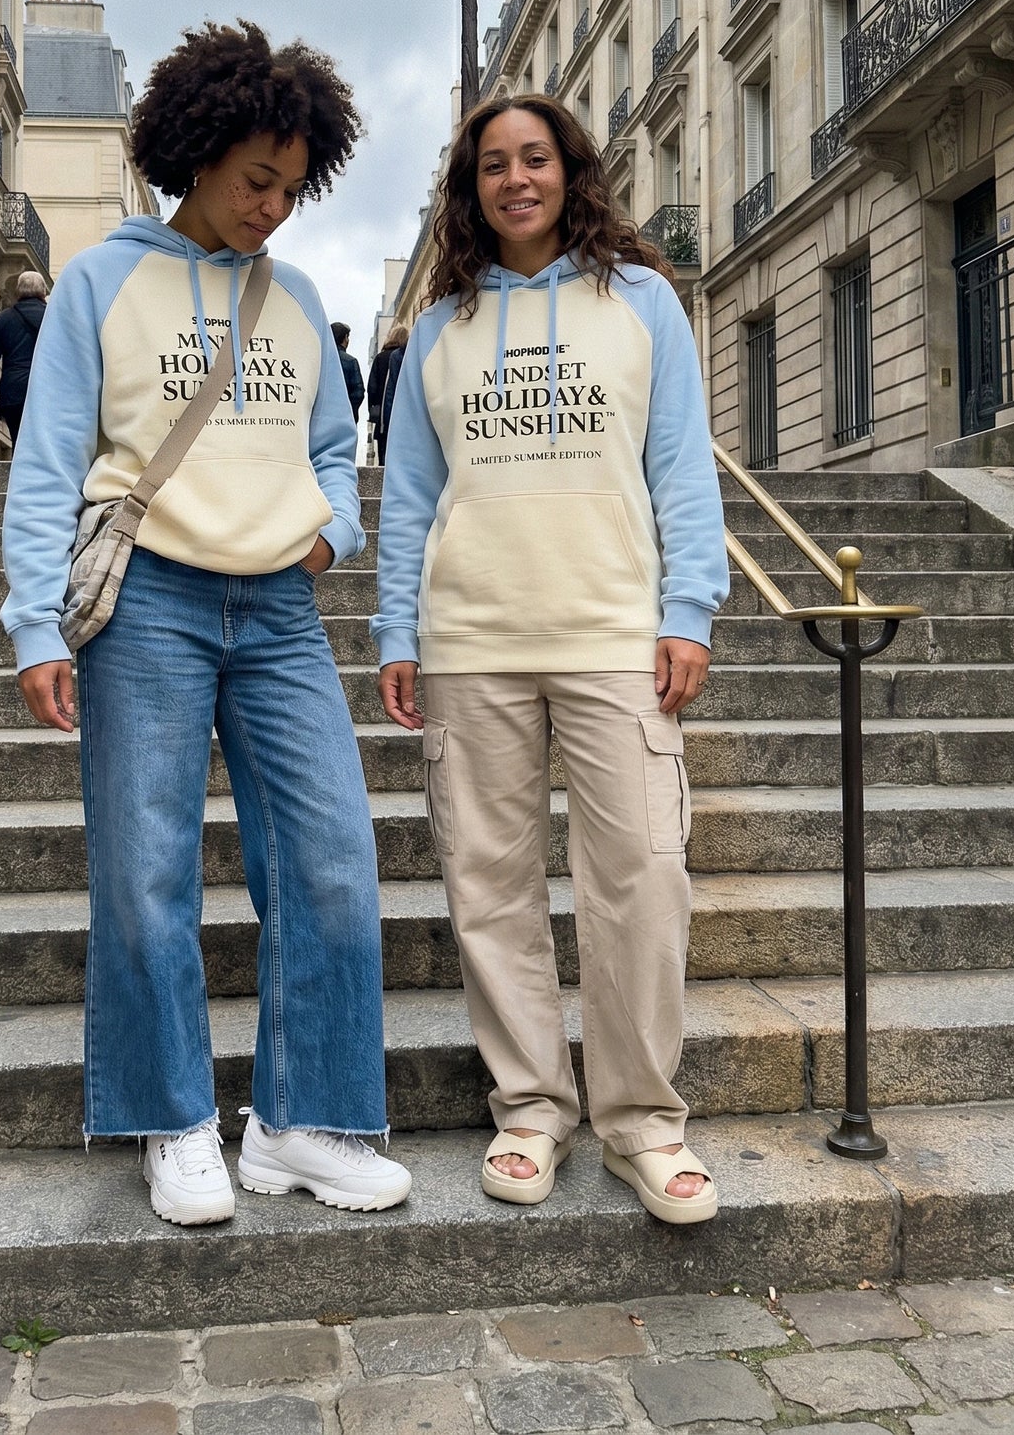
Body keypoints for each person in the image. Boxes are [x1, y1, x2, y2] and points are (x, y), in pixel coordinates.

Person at [0, 20, 410, 1228]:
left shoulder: (295, 300)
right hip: (147, 602)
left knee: (332, 860)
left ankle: (299, 1123)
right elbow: (48, 459)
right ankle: (172, 1119)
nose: (271, 208)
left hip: (278, 607)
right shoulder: (101, 281)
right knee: (145, 870)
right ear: (200, 153)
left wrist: (331, 535)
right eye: (254, 181)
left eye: (290, 189)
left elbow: (333, 451)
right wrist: (33, 623)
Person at [372, 94, 728, 1224]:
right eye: (492, 165)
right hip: (470, 638)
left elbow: (680, 466)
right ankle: (530, 1108)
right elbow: (409, 497)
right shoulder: (438, 329)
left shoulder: (642, 303)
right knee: (488, 886)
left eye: (534, 159)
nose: (515, 179)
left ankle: (643, 1123)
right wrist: (395, 630)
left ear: (569, 172)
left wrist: (689, 610)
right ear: (469, 189)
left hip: (614, 634)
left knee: (643, 879)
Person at [0, 272, 48, 444]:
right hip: (46, 388)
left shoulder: (4, 318)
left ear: (18, 290)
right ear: (43, 291)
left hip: (13, 390)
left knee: (18, 442)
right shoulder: (53, 317)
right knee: (44, 442)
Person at [366, 322, 408, 463]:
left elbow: (372, 387)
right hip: (402, 412)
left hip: (383, 415)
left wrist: (373, 409)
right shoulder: (406, 357)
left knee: (383, 454)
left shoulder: (380, 358)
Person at [331, 321, 365, 423]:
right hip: (346, 418)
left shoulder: (320, 360)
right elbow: (359, 392)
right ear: (345, 338)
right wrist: (350, 410)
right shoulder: (351, 361)